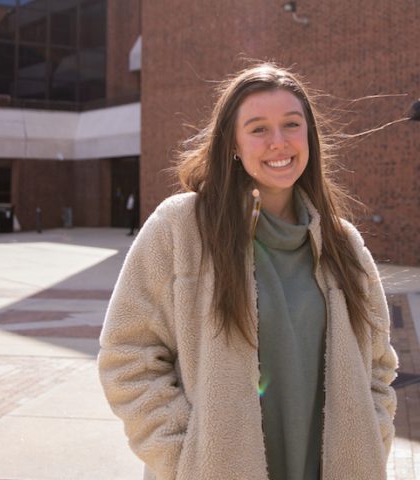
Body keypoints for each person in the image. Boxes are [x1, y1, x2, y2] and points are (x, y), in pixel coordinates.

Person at [98, 63, 398, 480]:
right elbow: (126, 355)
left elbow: (380, 366)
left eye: (291, 125)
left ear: (309, 136)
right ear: (233, 144)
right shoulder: (181, 228)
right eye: (258, 129)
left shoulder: (342, 244)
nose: (279, 142)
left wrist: (369, 438)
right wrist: (186, 457)